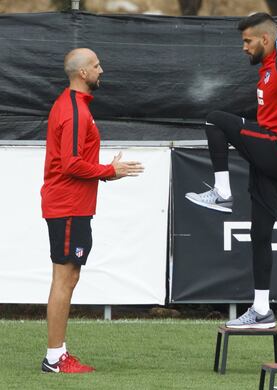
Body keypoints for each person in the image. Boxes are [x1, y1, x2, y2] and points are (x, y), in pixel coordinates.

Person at [185, 13, 277, 329]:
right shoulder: (267, 67)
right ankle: (262, 310)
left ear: (265, 40)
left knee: (216, 120)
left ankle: (222, 192)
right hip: (274, 163)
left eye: (247, 41)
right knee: (260, 236)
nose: (244, 47)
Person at [40, 48, 144, 373]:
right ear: (82, 73)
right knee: (65, 278)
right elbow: (70, 164)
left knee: (68, 276)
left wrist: (105, 171)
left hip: (72, 204)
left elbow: (75, 161)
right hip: (67, 205)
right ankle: (55, 358)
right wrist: (109, 171)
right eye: (97, 65)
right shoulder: (73, 111)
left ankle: (56, 355)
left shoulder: (77, 106)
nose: (102, 69)